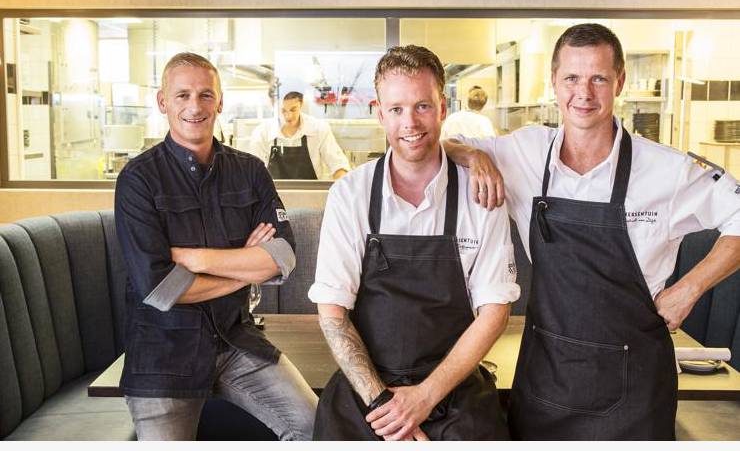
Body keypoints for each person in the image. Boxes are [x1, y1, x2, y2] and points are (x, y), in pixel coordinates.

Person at [444, 23, 740, 440]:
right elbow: (440, 145)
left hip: (635, 390)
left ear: (619, 82)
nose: (583, 93)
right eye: (571, 78)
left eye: (598, 78)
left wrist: (689, 289)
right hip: (546, 380)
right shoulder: (525, 151)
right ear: (554, 81)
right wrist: (474, 156)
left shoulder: (667, 169)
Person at [308, 45, 519, 441]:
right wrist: (384, 406)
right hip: (366, 391)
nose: (410, 122)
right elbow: (333, 313)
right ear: (379, 113)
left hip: (454, 390)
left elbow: (494, 311)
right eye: (396, 109)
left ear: (442, 108)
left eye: (422, 106)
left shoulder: (480, 193)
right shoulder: (350, 194)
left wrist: (424, 397)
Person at [114, 52, 318, 440]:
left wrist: (194, 259)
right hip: (162, 356)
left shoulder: (250, 171)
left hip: (237, 342)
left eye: (206, 95)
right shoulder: (138, 180)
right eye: (183, 95)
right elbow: (159, 289)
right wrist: (246, 268)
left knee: (316, 428)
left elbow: (283, 257)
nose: (195, 106)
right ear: (163, 102)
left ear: (220, 102)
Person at [247, 91, 350, 179]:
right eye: (283, 111)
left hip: (311, 194)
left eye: (293, 109)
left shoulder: (318, 129)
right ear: (273, 106)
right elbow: (253, 173)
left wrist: (342, 188)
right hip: (272, 195)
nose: (289, 116)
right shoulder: (262, 133)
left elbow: (338, 166)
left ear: (301, 104)